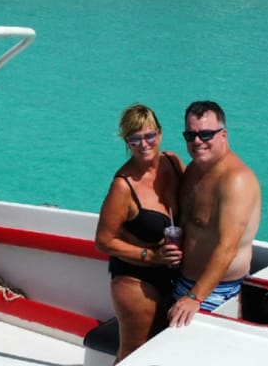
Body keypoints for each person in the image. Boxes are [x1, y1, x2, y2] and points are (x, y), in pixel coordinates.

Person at [96, 104, 185, 362]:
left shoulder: (172, 162)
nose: (143, 144)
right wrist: (150, 256)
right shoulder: (123, 186)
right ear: (127, 142)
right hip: (135, 279)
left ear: (160, 133)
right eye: (134, 139)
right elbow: (103, 240)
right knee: (133, 355)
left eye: (149, 136)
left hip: (172, 275)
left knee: (161, 351)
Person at [167, 100, 261, 327]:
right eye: (190, 136)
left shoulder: (236, 180)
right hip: (183, 283)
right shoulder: (194, 170)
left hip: (215, 292)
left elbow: (227, 247)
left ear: (223, 135)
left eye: (206, 134)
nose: (197, 141)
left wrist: (195, 297)